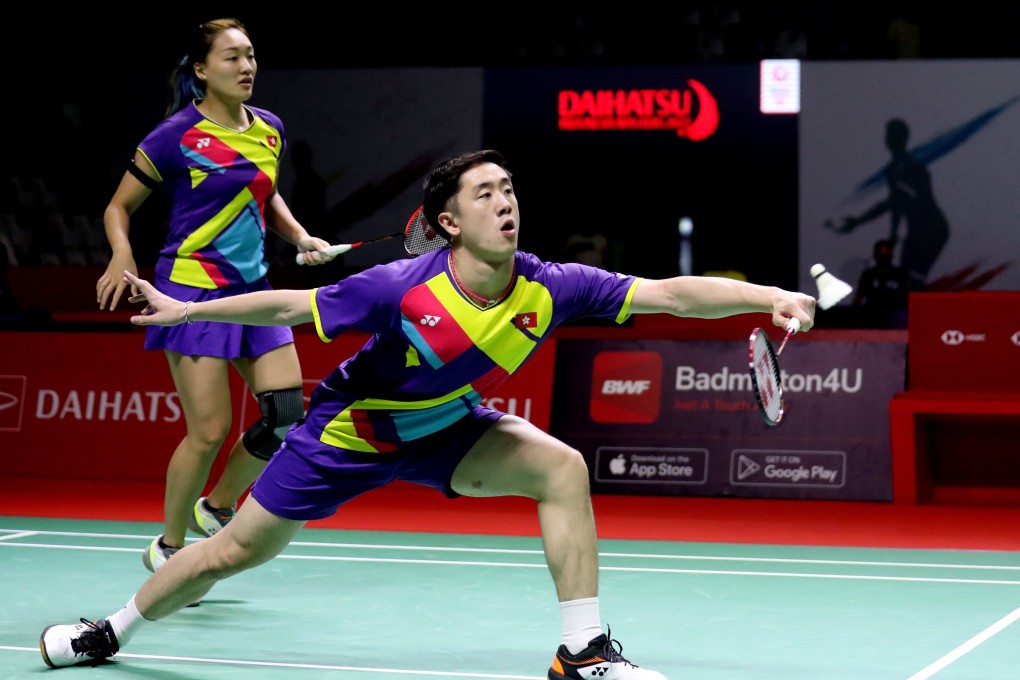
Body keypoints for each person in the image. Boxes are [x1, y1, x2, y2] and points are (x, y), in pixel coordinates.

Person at [43, 149, 816, 679]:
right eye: (484, 194)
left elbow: (670, 292)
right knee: (235, 552)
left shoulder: (550, 286)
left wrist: (770, 296)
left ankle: (582, 652)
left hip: (448, 424)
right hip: (351, 431)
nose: (504, 202)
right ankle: (109, 631)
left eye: (508, 190)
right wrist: (185, 311)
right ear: (447, 222)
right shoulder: (401, 287)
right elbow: (293, 303)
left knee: (561, 468)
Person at [94, 18, 336, 576]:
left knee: (284, 415)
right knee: (208, 431)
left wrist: (299, 236)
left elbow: (266, 196)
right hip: (191, 293)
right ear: (202, 70)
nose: (246, 67)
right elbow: (118, 207)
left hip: (253, 293)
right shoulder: (175, 135)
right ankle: (170, 547)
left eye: (250, 56)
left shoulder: (268, 128)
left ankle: (219, 504)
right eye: (232, 58)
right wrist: (121, 253)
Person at [825, 117, 950, 292]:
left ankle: (923, 314)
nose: (890, 139)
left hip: (933, 230)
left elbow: (896, 202)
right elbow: (896, 205)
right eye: (889, 135)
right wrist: (892, 234)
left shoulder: (914, 168)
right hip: (917, 231)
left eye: (894, 135)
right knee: (908, 278)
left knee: (913, 279)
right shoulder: (892, 170)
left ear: (903, 139)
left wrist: (859, 221)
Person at [853, 238, 911, 327]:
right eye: (881, 252)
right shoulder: (869, 274)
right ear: (875, 254)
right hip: (872, 317)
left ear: (891, 254)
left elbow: (908, 298)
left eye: (886, 252)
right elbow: (859, 297)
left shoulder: (899, 274)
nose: (884, 255)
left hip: (895, 318)